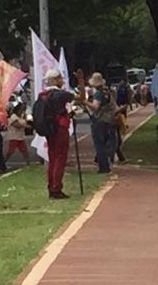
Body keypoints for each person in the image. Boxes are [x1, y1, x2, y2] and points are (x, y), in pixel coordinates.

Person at [40, 69, 77, 199]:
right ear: (55, 79)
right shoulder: (61, 95)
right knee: (60, 157)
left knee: (52, 157)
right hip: (60, 127)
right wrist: (81, 82)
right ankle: (56, 188)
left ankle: (51, 186)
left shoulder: (43, 95)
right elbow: (81, 97)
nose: (62, 80)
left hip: (49, 129)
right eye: (60, 78)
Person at [84, 72, 118, 174]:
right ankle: (109, 157)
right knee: (109, 140)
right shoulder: (107, 91)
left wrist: (85, 101)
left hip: (100, 121)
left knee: (99, 144)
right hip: (110, 120)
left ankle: (104, 167)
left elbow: (95, 107)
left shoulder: (98, 94)